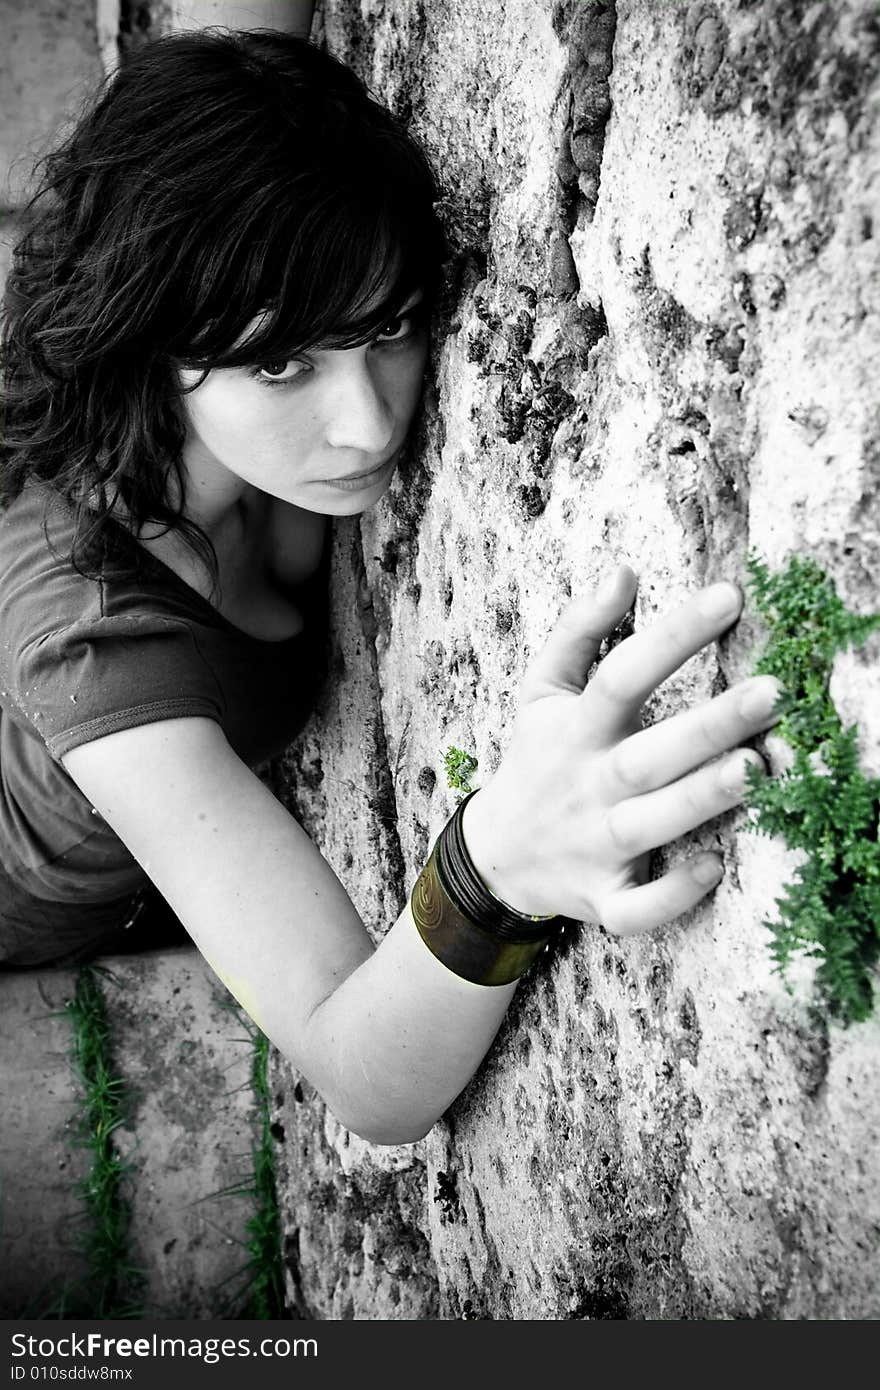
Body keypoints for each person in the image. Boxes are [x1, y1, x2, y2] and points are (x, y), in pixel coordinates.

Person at [0, 29, 781, 1145]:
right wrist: (497, 860)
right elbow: (364, 1078)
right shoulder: (94, 645)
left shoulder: (247, 301)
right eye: (281, 366)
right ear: (151, 339)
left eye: (389, 329)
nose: (366, 424)